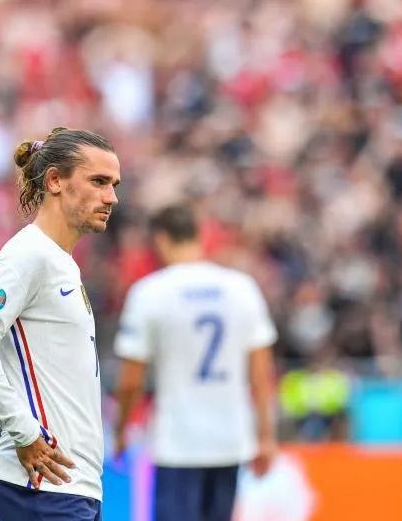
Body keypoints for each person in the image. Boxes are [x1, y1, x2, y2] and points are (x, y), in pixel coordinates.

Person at [0, 127, 121, 521]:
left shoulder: (61, 262)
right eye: (98, 181)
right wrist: (25, 432)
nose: (111, 197)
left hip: (70, 484)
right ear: (55, 181)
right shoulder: (29, 254)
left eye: (113, 184)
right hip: (40, 485)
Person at [113, 203, 278, 521]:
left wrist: (121, 430)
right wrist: (266, 436)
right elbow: (260, 372)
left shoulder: (150, 292)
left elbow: (132, 379)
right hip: (230, 440)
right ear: (198, 236)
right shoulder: (242, 288)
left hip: (178, 441)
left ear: (160, 239)